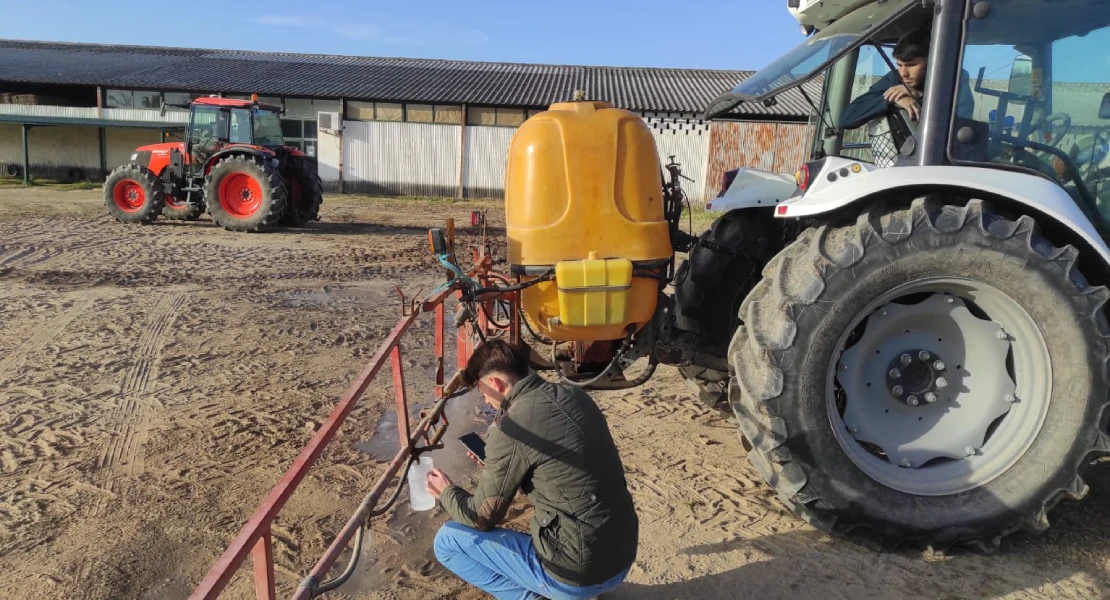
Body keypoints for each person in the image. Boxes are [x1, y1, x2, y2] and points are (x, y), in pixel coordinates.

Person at [426, 339, 638, 600]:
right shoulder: (575, 394)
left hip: (579, 575)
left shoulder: (510, 427)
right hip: (622, 556)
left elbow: (481, 517)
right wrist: (498, 463)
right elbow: (558, 470)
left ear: (495, 384)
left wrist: (445, 492)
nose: (485, 399)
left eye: (482, 392)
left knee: (447, 541)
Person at [841, 28, 975, 130]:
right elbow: (847, 119)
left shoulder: (955, 79)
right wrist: (893, 100)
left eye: (911, 65)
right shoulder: (895, 78)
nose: (904, 73)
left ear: (933, 61)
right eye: (899, 65)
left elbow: (961, 122)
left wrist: (921, 97)